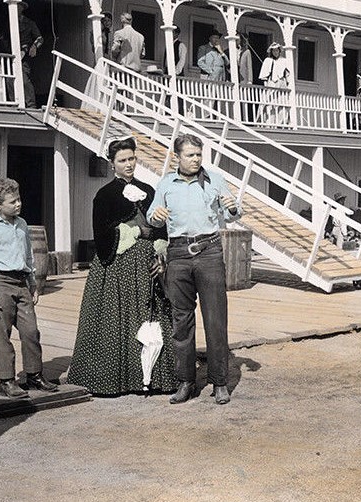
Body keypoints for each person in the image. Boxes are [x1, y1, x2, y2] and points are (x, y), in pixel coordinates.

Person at [68, 137, 176, 395]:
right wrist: (136, 230)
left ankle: (152, 378)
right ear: (112, 163)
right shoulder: (104, 195)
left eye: (132, 159)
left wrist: (160, 251)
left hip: (148, 264)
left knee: (149, 317)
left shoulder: (150, 191)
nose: (129, 164)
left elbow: (162, 228)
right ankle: (116, 380)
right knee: (116, 318)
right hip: (117, 267)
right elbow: (102, 235)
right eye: (123, 160)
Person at [148, 134, 241, 405]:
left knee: (215, 320)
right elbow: (154, 218)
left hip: (209, 251)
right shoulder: (166, 183)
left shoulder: (215, 179)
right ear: (177, 157)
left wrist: (233, 208)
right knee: (181, 322)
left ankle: (220, 382)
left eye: (199, 154)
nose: (196, 159)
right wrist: (157, 217)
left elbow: (234, 212)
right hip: (177, 253)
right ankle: (186, 381)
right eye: (190, 155)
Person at [0, 178, 59, 399]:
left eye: (19, 199)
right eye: (12, 201)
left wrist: (32, 284)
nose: (18, 204)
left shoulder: (21, 224)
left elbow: (28, 256)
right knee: (1, 334)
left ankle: (34, 375)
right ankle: (7, 380)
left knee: (31, 331)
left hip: (21, 283)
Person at [16, 1, 43, 108]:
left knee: (24, 79)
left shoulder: (29, 23)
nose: (17, 8)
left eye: (19, 6)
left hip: (25, 54)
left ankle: (31, 104)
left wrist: (34, 46)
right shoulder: (9, 22)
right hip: (12, 53)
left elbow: (40, 38)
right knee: (10, 79)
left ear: (22, 8)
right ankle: (15, 102)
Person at [258, 42, 291, 124]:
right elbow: (264, 76)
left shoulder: (284, 61)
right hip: (272, 83)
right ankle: (269, 123)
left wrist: (287, 83)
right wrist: (266, 86)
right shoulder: (268, 61)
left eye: (277, 50)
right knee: (270, 104)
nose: (275, 52)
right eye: (273, 51)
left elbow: (288, 74)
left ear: (279, 51)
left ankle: (282, 123)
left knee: (282, 104)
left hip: (282, 83)